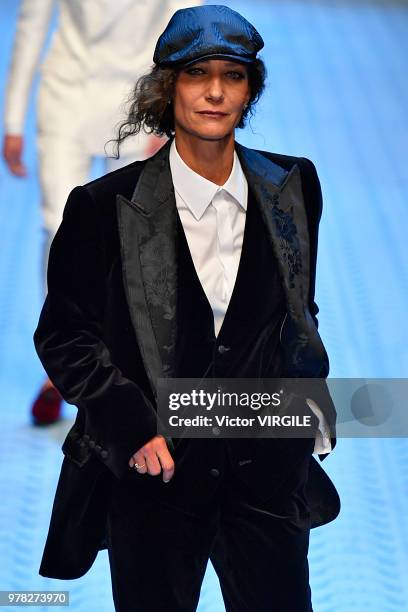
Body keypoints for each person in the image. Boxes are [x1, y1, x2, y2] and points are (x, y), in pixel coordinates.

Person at [33, 5, 340, 611]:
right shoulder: (104, 207)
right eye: (199, 74)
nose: (216, 92)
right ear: (169, 87)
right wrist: (132, 427)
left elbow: (299, 310)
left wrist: (310, 413)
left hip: (266, 471)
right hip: (158, 475)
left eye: (233, 75)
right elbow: (65, 336)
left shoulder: (292, 185)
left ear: (251, 89)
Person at [3, 0, 198, 425]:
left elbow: (189, 24)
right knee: (57, 229)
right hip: (66, 94)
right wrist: (13, 117)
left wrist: (172, 118)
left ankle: (115, 362)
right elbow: (32, 23)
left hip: (139, 100)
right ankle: (61, 365)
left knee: (130, 237)